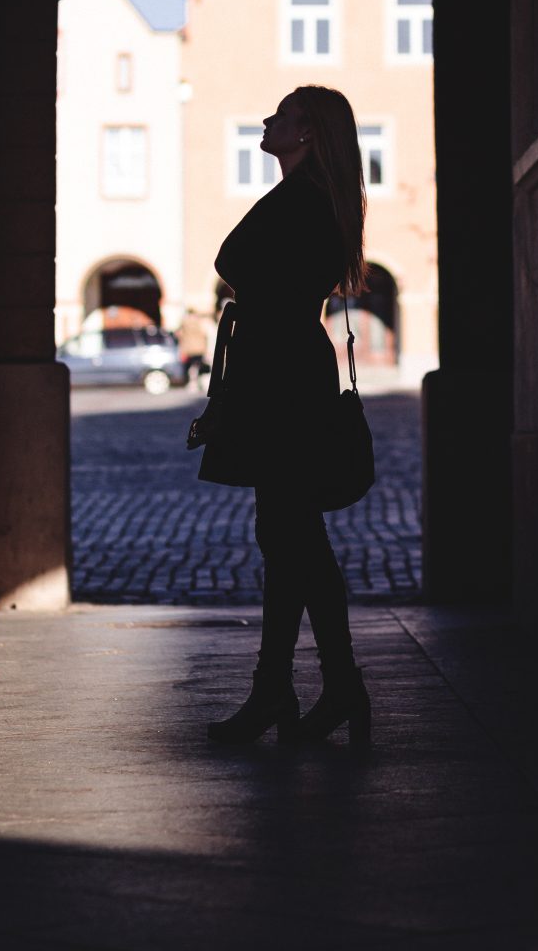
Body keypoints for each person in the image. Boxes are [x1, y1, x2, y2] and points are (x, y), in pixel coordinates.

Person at [188, 85, 371, 744]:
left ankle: (289, 691)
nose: (268, 120)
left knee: (291, 538)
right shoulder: (313, 200)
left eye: (283, 115)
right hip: (287, 371)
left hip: (283, 379)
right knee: (292, 539)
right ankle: (310, 688)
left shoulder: (302, 201)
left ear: (308, 134)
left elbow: (232, 259)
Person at [177, 308, 209, 388]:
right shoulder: (200, 322)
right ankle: (199, 383)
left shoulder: (184, 322)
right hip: (199, 348)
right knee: (198, 365)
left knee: (191, 366)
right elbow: (205, 334)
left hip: (189, 348)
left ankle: (193, 383)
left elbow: (179, 334)